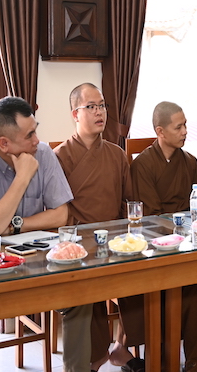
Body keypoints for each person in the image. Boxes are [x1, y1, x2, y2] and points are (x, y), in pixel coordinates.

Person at [0, 96, 72, 372]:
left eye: (36, 130)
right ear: (4, 144)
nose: (37, 140)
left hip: (35, 259)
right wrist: (22, 177)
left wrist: (16, 225)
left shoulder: (43, 153)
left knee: (79, 298)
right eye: (29, 135)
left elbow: (61, 215)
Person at [54, 83, 144, 372]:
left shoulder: (116, 154)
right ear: (75, 114)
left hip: (117, 242)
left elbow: (128, 203)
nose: (99, 112)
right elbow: (57, 212)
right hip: (78, 245)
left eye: (102, 105)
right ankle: (93, 360)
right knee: (85, 288)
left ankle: (123, 346)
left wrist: (128, 238)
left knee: (143, 275)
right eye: (91, 106)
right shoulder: (60, 156)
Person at [129, 101, 197, 372]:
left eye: (185, 125)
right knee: (165, 290)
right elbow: (150, 216)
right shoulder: (142, 164)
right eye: (179, 127)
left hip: (188, 243)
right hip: (155, 247)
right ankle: (163, 357)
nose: (185, 131)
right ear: (160, 132)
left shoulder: (190, 162)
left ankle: (195, 358)